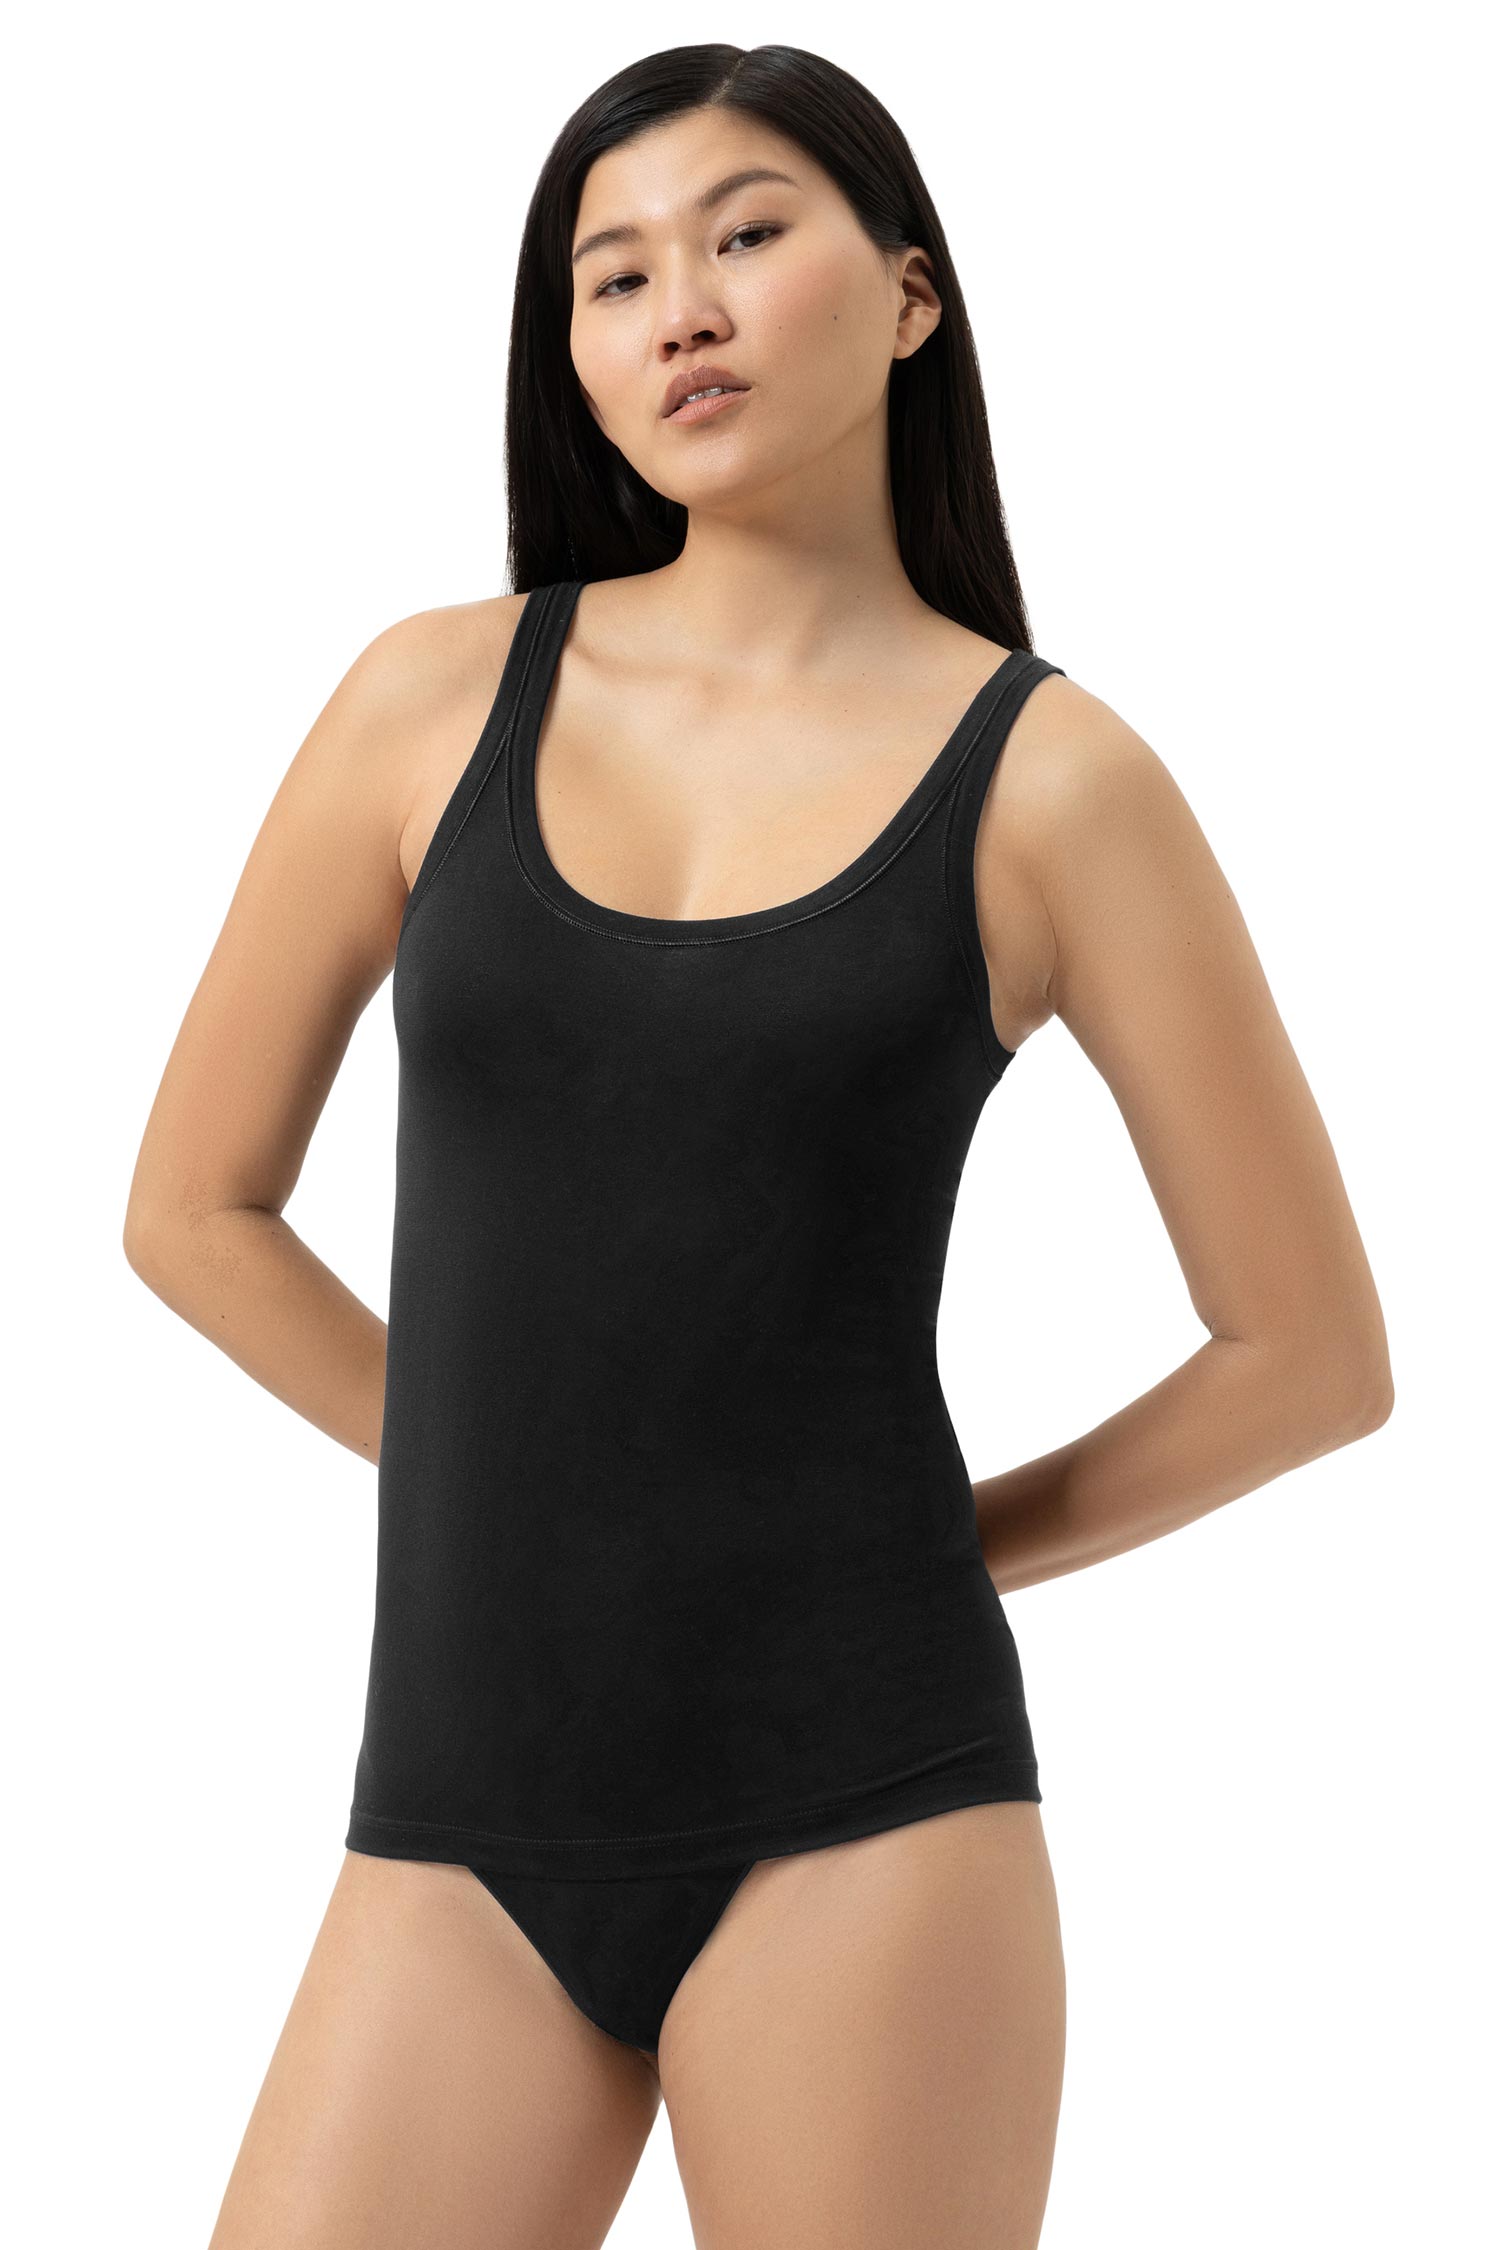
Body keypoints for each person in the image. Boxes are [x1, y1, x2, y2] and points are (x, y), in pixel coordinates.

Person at [122, 42, 1394, 2250]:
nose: (680, 310)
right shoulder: (429, 703)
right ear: (574, 359)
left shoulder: (1057, 783)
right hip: (456, 1818)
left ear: (910, 293)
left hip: (869, 1821)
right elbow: (192, 1210)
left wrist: (917, 1549)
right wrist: (529, 1477)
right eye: (613, 277)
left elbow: (1312, 1355)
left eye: (745, 234)